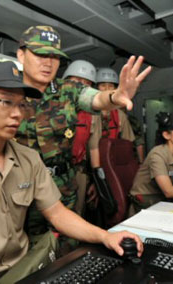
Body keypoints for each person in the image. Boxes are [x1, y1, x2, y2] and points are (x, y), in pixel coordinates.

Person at [0, 61, 143, 284]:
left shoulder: (28, 158)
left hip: (27, 270)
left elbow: (58, 214)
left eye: (21, 104)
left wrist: (105, 236)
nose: (18, 113)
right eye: (5, 102)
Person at [0, 25, 151, 238]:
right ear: (21, 54)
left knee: (67, 247)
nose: (48, 63)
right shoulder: (5, 90)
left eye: (54, 57)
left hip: (62, 189)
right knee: (20, 252)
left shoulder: (68, 90)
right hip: (18, 190)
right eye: (40, 54)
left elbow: (96, 98)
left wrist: (115, 95)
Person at [62, 59, 99, 216]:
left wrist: (97, 182)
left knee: (76, 215)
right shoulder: (49, 106)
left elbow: (94, 149)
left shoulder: (93, 115)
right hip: (47, 173)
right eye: (76, 81)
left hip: (79, 172)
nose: (80, 87)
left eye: (86, 83)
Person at [90, 68, 145, 164]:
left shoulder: (120, 115)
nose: (107, 89)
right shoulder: (89, 112)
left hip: (113, 159)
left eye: (110, 86)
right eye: (103, 85)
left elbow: (128, 142)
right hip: (89, 161)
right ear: (97, 88)